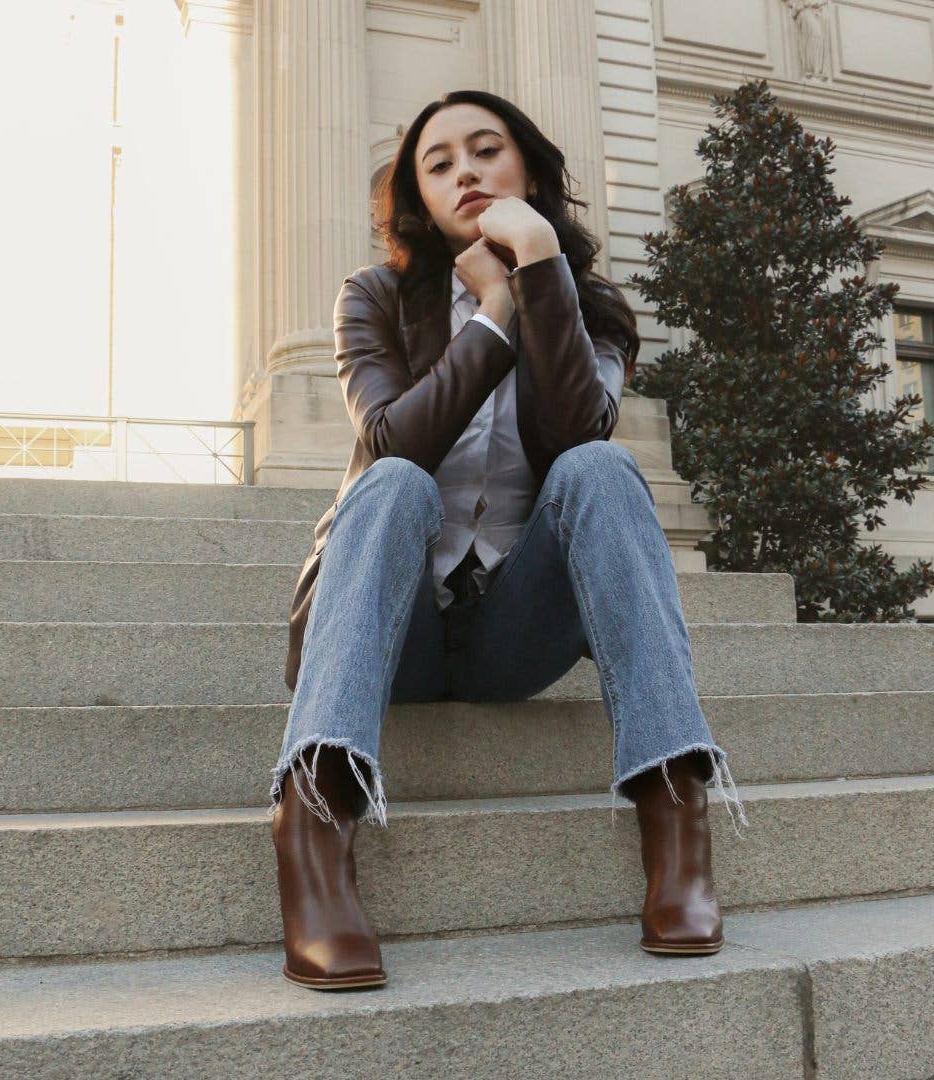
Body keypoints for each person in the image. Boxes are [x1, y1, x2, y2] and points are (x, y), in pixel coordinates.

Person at [267, 89, 749, 991]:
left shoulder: (593, 310)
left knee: (602, 472)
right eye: (438, 164)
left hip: (512, 636)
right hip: (394, 632)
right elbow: (391, 440)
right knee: (396, 481)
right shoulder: (372, 299)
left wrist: (537, 275)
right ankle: (315, 825)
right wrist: (488, 321)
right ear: (418, 197)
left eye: (486, 151)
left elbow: (577, 435)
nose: (466, 173)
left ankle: (677, 811)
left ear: (527, 169)